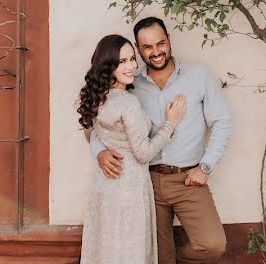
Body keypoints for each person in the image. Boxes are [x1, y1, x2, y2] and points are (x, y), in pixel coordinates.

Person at [91, 17, 231, 264]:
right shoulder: (129, 83)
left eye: (160, 43)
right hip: (147, 181)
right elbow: (98, 124)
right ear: (138, 48)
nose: (155, 52)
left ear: (169, 40)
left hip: (188, 178)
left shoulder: (199, 76)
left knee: (212, 245)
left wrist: (206, 166)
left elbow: (221, 122)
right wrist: (99, 151)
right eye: (146, 47)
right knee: (158, 256)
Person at [78, 34, 188, 264]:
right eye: (122, 62)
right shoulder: (128, 102)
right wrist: (170, 123)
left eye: (132, 59)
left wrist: (100, 151)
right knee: (129, 251)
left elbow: (91, 131)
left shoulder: (98, 97)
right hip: (129, 187)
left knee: (107, 251)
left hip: (105, 185)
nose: (131, 67)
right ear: (108, 66)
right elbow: (144, 153)